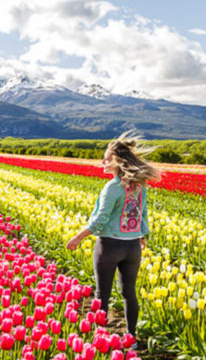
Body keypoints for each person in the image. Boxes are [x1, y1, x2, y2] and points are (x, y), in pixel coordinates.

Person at [66, 132, 160, 341]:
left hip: (109, 246)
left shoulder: (113, 187)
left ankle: (97, 340)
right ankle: (131, 337)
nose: (103, 162)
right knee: (129, 293)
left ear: (118, 162)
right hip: (132, 248)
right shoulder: (140, 186)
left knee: (102, 295)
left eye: (107, 159)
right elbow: (142, 214)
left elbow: (100, 219)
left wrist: (78, 237)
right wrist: (142, 236)